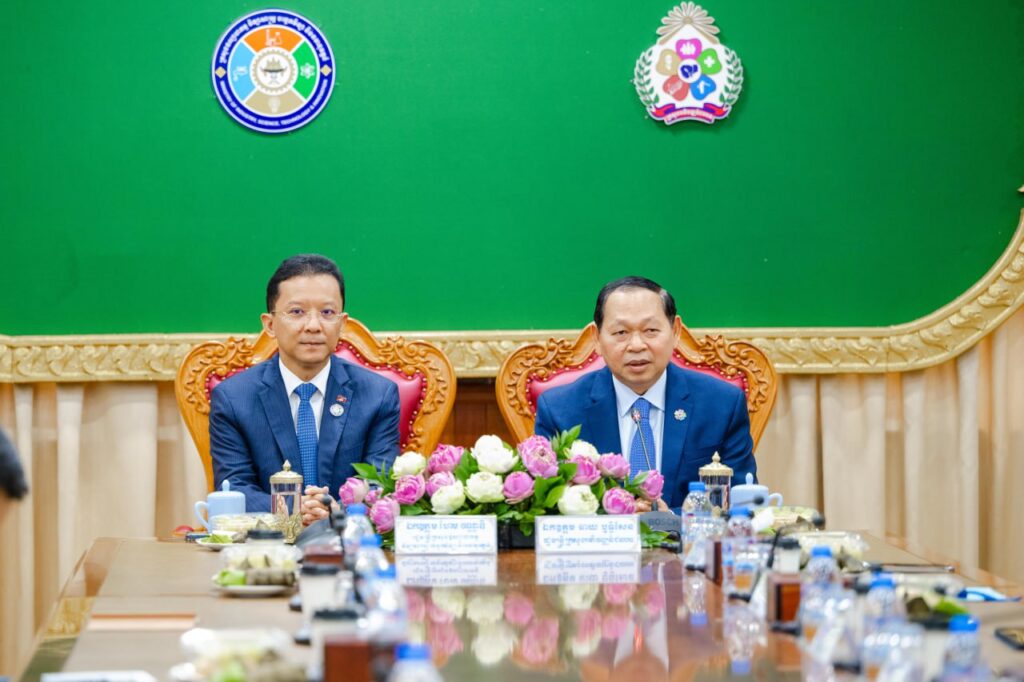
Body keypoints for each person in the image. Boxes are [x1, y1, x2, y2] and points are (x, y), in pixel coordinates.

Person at [535, 276, 756, 510]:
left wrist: (671, 520)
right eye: (621, 332)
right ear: (596, 338)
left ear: (676, 331)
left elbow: (743, 504)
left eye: (650, 330)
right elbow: (548, 508)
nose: (637, 345)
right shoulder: (559, 410)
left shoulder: (722, 404)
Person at [210, 254, 400, 523]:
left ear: (342, 324)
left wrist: (333, 511)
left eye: (327, 313)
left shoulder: (378, 395)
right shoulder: (234, 398)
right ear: (269, 324)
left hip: (346, 538)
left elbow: (380, 485)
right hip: (269, 541)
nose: (313, 326)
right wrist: (293, 507)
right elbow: (234, 487)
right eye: (297, 312)